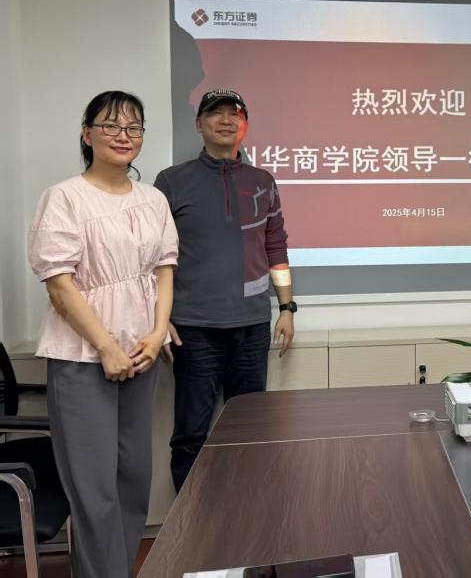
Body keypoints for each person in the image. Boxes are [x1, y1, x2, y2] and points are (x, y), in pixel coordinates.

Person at [28, 90, 177, 578]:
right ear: (86, 133)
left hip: (141, 353)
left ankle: (117, 571)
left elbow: (164, 270)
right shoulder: (65, 197)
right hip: (83, 356)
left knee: (133, 480)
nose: (122, 135)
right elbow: (59, 284)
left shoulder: (153, 199)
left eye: (133, 127)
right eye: (110, 125)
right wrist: (106, 346)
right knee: (94, 489)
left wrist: (157, 332)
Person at [154, 89, 295, 491]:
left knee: (249, 430)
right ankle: (192, 522)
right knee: (191, 435)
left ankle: (245, 516)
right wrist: (159, 320)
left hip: (252, 326)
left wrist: (287, 308)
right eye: (215, 113)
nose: (226, 120)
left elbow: (275, 247)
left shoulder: (262, 182)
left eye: (235, 114)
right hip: (193, 328)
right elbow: (152, 256)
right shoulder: (171, 181)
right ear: (199, 124)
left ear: (245, 126)